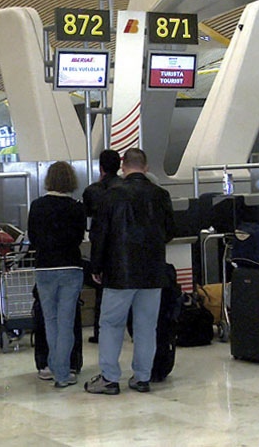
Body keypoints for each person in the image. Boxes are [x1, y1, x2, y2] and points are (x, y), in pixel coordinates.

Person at [84, 148, 174, 395]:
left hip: (119, 272)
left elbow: (99, 235)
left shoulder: (111, 196)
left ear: (123, 167)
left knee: (111, 324)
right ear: (145, 168)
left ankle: (110, 378)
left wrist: (97, 266)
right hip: (153, 272)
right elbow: (170, 231)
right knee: (146, 326)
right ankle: (142, 377)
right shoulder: (161, 195)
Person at [28, 161, 86, 388]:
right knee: (66, 322)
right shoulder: (76, 207)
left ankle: (54, 366)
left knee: (50, 321)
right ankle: (62, 372)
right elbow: (79, 237)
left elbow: (33, 237)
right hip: (71, 266)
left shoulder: (37, 205)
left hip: (44, 268)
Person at [82, 149, 122, 344]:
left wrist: (95, 265)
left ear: (101, 168)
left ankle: (100, 332)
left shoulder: (92, 191)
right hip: (124, 249)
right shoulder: (124, 188)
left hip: (104, 250)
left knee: (102, 293)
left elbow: (90, 220)